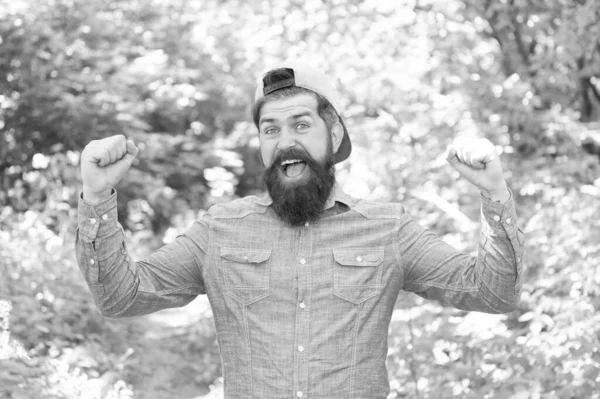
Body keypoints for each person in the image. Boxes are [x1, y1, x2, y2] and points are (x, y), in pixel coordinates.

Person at [76, 61, 524, 399]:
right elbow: (122, 297)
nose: (285, 140)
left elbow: (492, 293)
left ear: (333, 136)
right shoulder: (220, 231)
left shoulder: (389, 229)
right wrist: (97, 198)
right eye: (270, 129)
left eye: (301, 124)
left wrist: (495, 196)